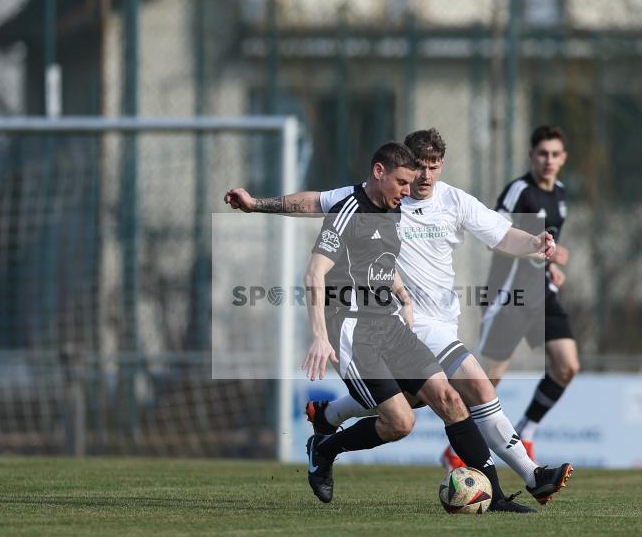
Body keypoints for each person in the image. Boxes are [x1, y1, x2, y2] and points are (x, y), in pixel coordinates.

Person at [226, 130, 572, 506]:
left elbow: (503, 236)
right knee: (466, 391)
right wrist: (257, 203)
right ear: (396, 167)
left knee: (413, 407)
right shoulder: (377, 197)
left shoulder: (452, 201)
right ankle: (528, 478)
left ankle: (328, 417)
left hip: (431, 322)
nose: (422, 179)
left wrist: (537, 245)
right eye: (416, 169)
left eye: (432, 168)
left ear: (441, 167)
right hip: (385, 323)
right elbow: (313, 203)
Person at [478, 125, 579, 462]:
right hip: (510, 296)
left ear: (563, 158)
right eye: (542, 153)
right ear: (531, 155)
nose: (548, 160)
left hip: (543, 295)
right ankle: (459, 448)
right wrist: (534, 251)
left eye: (554, 154)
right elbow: (496, 237)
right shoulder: (519, 191)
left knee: (566, 366)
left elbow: (548, 245)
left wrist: (551, 265)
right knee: (486, 384)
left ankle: (526, 432)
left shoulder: (561, 194)